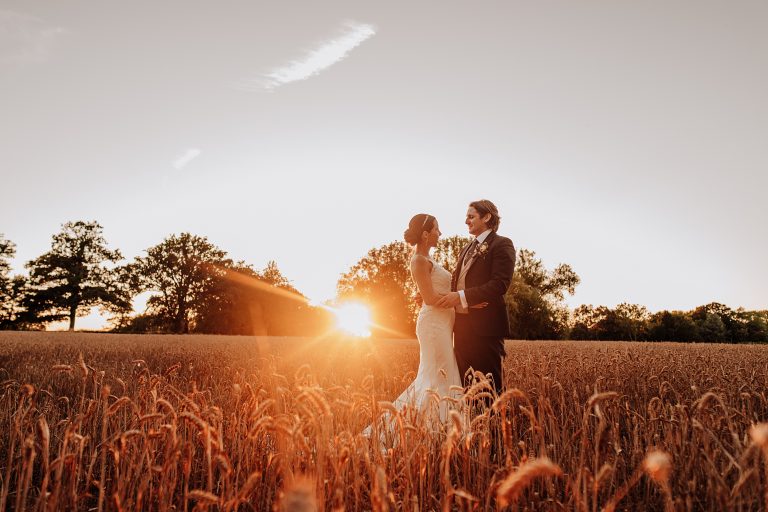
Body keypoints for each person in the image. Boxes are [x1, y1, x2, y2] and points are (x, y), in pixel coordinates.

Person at [363, 214, 470, 438]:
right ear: (425, 234)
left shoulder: (427, 259)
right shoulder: (418, 260)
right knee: (438, 377)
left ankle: (437, 430)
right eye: (437, 230)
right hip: (433, 326)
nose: (440, 234)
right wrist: (458, 297)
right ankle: (430, 432)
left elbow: (426, 293)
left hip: (442, 323)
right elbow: (430, 299)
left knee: (442, 377)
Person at [435, 199, 516, 395]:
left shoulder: (502, 244)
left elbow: (500, 284)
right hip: (461, 326)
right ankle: (471, 424)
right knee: (466, 384)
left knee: (490, 386)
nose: (466, 221)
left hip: (485, 327)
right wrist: (433, 296)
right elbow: (457, 283)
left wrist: (462, 297)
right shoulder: (466, 248)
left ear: (487, 217)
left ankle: (494, 425)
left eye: (471, 217)